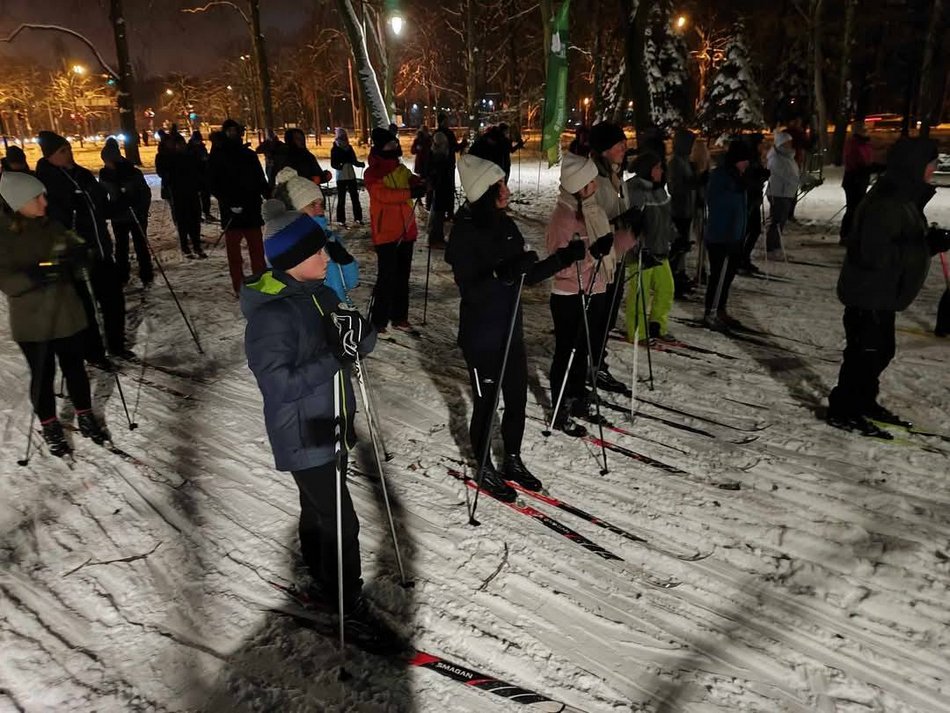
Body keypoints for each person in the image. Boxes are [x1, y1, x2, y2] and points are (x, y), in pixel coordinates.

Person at [240, 200, 401, 654]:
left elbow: (361, 341)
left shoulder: (323, 295)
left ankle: (319, 576)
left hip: (332, 421)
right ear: (293, 261)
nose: (327, 258)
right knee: (341, 521)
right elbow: (279, 386)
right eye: (319, 254)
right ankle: (348, 603)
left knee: (317, 512)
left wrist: (357, 335)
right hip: (302, 431)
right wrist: (335, 356)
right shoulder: (271, 317)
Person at [446, 154, 586, 500]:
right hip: (481, 336)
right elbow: (472, 290)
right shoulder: (464, 234)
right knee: (486, 402)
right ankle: (483, 467)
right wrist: (501, 273)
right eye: (499, 186)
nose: (506, 190)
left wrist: (562, 259)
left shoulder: (505, 225)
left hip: (511, 330)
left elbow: (526, 274)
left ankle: (512, 459)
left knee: (517, 400)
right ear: (484, 192)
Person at [827, 138, 949, 438]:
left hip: (883, 294)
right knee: (863, 354)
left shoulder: (903, 197)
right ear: (913, 166)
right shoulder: (886, 201)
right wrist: (924, 246)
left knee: (881, 351)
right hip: (868, 293)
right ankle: (844, 408)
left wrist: (927, 240)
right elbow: (875, 253)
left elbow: (902, 238)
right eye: (929, 166)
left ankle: (864, 402)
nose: (932, 172)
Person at [0, 170, 108, 457]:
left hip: (67, 315)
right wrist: (36, 275)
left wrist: (82, 256)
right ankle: (50, 425)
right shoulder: (4, 235)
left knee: (75, 369)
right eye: (38, 197)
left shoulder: (52, 225)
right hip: (33, 323)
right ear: (18, 201)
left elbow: (77, 249)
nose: (44, 202)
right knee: (42, 375)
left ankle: (85, 416)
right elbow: (7, 281)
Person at [546, 152, 632, 435]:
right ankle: (559, 406)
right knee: (567, 352)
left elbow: (606, 250)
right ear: (580, 187)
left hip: (595, 290)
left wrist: (629, 234)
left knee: (583, 350)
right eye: (591, 181)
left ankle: (578, 396)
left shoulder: (591, 211)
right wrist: (592, 257)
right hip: (569, 297)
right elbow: (561, 268)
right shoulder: (563, 218)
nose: (596, 184)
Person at [36, 131, 130, 363]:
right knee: (87, 307)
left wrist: (121, 204)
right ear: (49, 156)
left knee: (114, 300)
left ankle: (116, 344)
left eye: (68, 148)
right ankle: (94, 353)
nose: (68, 153)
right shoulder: (45, 181)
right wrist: (71, 209)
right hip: (77, 254)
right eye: (62, 151)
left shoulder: (83, 174)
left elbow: (100, 207)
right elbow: (51, 220)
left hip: (101, 248)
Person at [588, 121, 637, 396]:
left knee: (607, 316)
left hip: (616, 257)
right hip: (598, 260)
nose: (624, 147)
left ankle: (598, 362)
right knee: (597, 314)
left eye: (624, 143)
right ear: (605, 149)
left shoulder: (617, 176)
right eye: (619, 144)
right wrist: (618, 220)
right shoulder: (594, 177)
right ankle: (589, 364)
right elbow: (590, 219)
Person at [364, 126, 425, 333]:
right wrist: (411, 191)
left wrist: (422, 182)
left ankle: (399, 317)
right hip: (386, 234)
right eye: (390, 144)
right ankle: (378, 320)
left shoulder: (400, 169)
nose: (395, 146)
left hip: (406, 230)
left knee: (402, 277)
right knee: (386, 278)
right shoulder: (372, 173)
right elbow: (384, 196)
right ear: (381, 147)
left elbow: (411, 180)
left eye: (395, 143)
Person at [273, 166, 358, 303]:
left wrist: (345, 260)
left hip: (336, 311)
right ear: (294, 209)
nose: (320, 210)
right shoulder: (288, 245)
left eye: (321, 204)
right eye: (312, 205)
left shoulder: (327, 237)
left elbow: (348, 284)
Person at [209, 119, 268, 295]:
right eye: (231, 131)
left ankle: (262, 283)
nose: (235, 135)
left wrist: (269, 195)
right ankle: (239, 286)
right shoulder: (218, 155)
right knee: (234, 255)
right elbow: (213, 183)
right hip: (231, 212)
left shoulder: (248, 155)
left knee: (257, 251)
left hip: (251, 208)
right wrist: (228, 203)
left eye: (237, 131)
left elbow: (259, 179)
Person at [625, 152, 676, 342]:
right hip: (642, 253)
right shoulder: (635, 190)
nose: (661, 171)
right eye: (657, 167)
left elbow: (665, 220)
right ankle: (637, 332)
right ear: (647, 169)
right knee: (640, 294)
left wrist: (675, 238)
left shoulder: (659, 190)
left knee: (666, 288)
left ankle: (657, 326)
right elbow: (631, 224)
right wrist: (638, 246)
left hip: (660, 250)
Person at [703, 139, 752, 331]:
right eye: (743, 160)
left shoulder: (739, 176)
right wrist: (737, 188)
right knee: (718, 275)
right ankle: (711, 311)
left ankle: (720, 308)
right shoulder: (721, 176)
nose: (746, 164)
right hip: (720, 235)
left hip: (735, 234)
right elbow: (716, 202)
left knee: (728, 275)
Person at [98, 138, 154, 287]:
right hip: (119, 217)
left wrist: (140, 208)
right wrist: (109, 210)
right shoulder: (104, 175)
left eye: (108, 161)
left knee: (140, 245)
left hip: (136, 215)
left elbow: (144, 193)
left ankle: (146, 273)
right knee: (121, 247)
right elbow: (101, 197)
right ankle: (122, 274)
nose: (106, 164)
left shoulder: (132, 172)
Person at [667, 128, 704, 295]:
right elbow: (674, 187)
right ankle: (673, 277)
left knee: (683, 245)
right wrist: (693, 182)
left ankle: (679, 274)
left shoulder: (684, 161)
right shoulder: (675, 162)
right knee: (678, 246)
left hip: (687, 208)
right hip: (679, 210)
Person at [163, 133, 206, 258]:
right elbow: (166, 175)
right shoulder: (171, 158)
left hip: (192, 192)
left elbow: (199, 171)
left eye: (182, 144)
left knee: (195, 220)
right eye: (178, 145)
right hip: (178, 194)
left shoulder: (191, 156)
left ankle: (196, 245)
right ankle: (185, 246)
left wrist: (200, 185)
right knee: (182, 221)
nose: (180, 147)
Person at [839, 122, 880, 244]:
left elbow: (868, 161)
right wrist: (872, 169)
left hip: (862, 179)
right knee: (853, 209)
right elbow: (856, 164)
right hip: (853, 180)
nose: (866, 131)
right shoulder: (854, 144)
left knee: (858, 209)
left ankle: (854, 233)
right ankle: (846, 235)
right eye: (863, 130)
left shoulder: (865, 144)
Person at [738, 133, 770, 274]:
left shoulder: (755, 158)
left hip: (755, 197)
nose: (763, 146)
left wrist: (762, 175)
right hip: (749, 199)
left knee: (754, 229)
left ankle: (744, 257)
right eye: (761, 143)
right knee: (747, 230)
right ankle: (740, 259)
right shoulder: (748, 158)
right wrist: (759, 176)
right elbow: (747, 179)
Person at [765, 131, 799, 258]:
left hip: (786, 193)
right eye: (787, 142)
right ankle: (771, 248)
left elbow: (793, 174)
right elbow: (784, 175)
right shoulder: (776, 158)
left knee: (781, 221)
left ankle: (776, 246)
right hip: (778, 193)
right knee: (777, 221)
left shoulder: (788, 157)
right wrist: (798, 180)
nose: (790, 144)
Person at [329, 128, 365, 226]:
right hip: (341, 177)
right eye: (342, 136)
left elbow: (354, 160)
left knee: (355, 198)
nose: (344, 138)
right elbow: (333, 163)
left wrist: (359, 164)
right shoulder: (335, 149)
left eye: (345, 136)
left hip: (351, 175)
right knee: (341, 199)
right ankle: (341, 219)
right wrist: (340, 166)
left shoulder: (349, 148)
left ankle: (358, 218)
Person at [188, 130, 215, 222]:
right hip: (195, 177)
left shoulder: (201, 148)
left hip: (204, 176)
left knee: (205, 197)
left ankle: (206, 213)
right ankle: (198, 215)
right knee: (197, 199)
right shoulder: (190, 149)